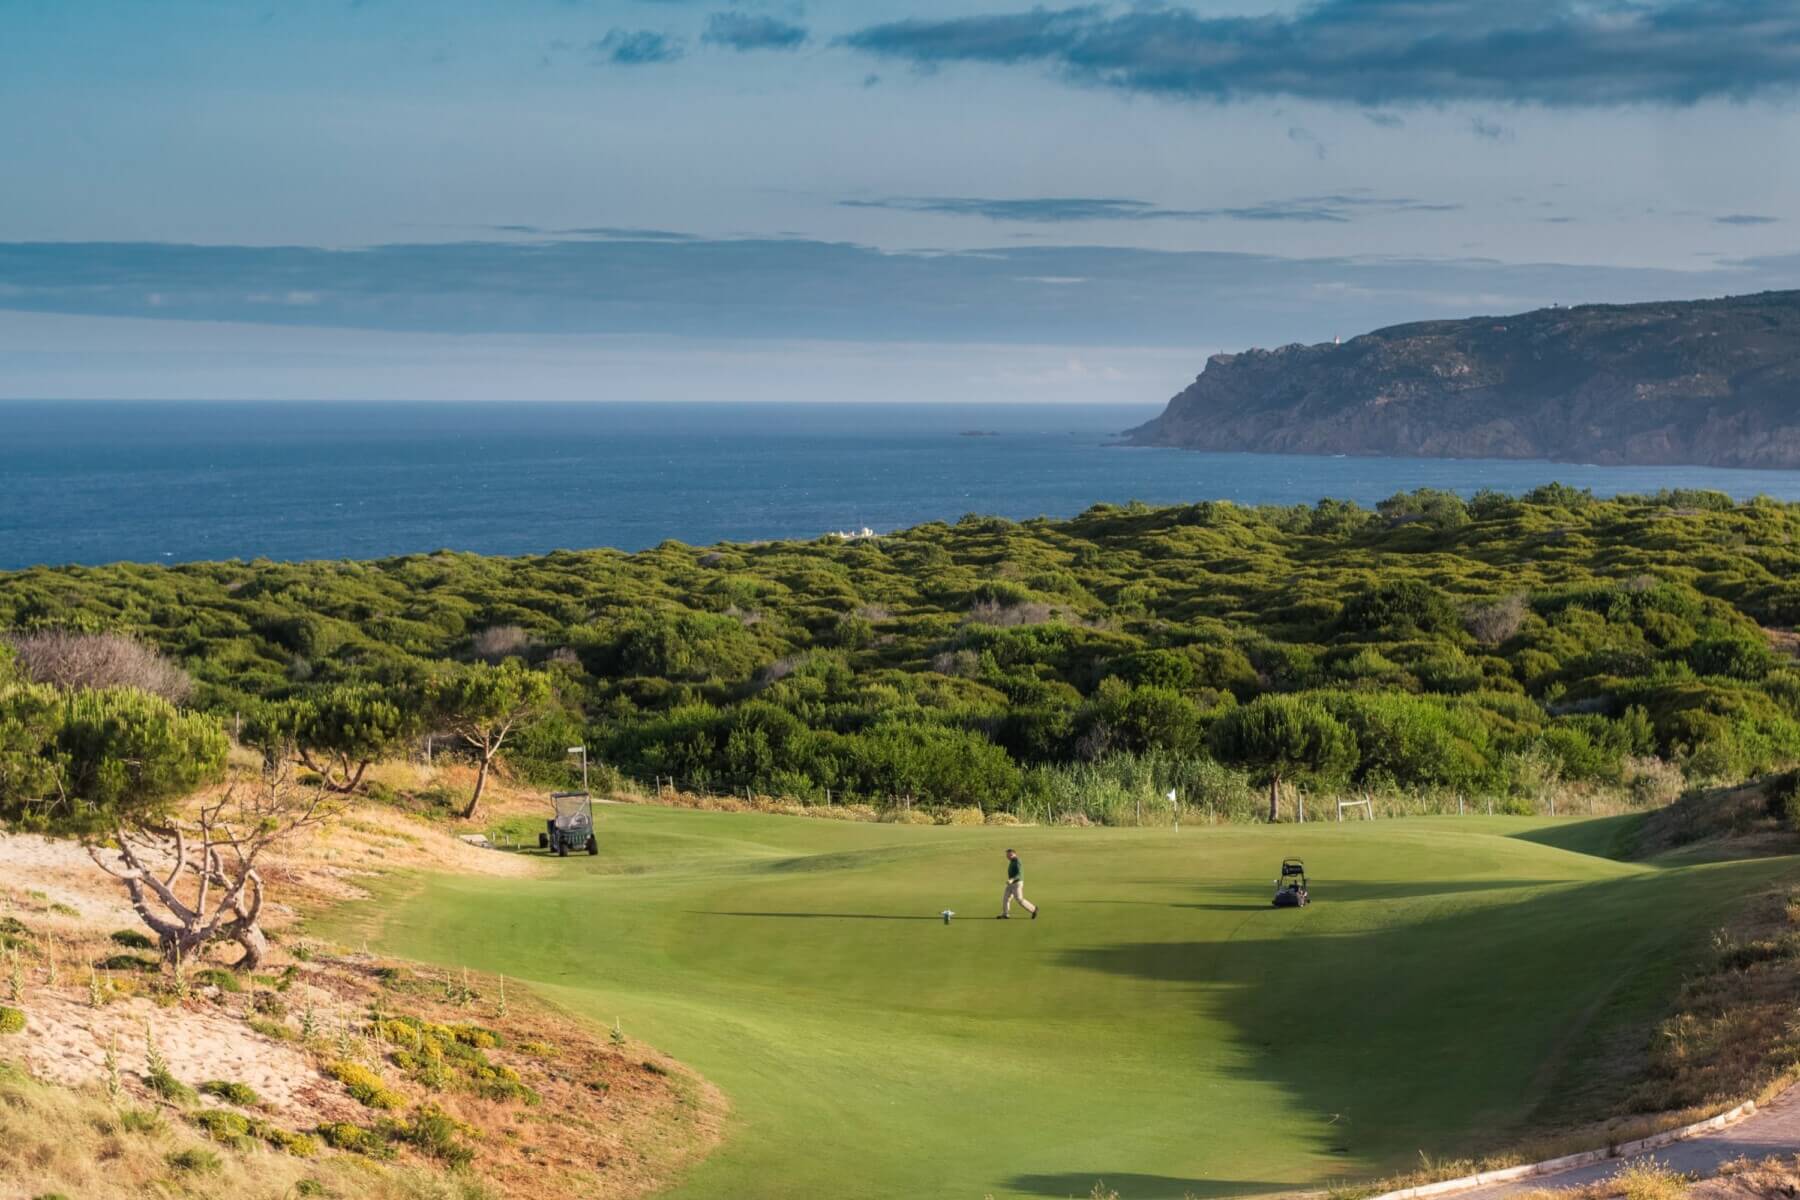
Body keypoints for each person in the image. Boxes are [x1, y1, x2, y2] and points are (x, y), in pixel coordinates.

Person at [998, 848, 1038, 919]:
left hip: (1017, 883)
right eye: (1007, 855)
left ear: (1015, 854)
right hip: (1011, 883)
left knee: (1019, 899)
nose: (1008, 856)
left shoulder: (1017, 861)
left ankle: (1033, 909)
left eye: (1010, 855)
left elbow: (1019, 874)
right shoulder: (1012, 861)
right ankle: (1005, 914)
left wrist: (1012, 879)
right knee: (1006, 898)